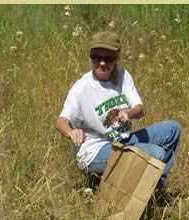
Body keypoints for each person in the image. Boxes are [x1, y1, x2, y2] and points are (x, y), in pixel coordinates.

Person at [56, 31, 181, 188]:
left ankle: (154, 189)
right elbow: (61, 122)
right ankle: (140, 192)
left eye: (108, 59)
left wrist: (129, 113)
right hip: (95, 151)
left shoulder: (123, 77)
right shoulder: (82, 87)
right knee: (156, 153)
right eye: (96, 57)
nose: (102, 63)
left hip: (122, 140)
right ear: (91, 57)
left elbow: (140, 109)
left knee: (173, 129)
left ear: (116, 59)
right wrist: (71, 132)